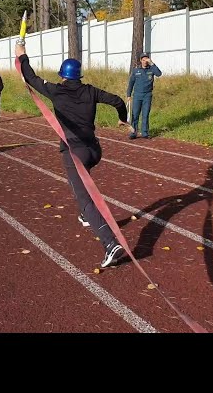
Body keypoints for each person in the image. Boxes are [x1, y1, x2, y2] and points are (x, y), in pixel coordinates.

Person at [15, 43, 131, 268]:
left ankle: (110, 244)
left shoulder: (56, 91)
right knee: (83, 190)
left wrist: (22, 55)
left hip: (74, 153)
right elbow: (117, 100)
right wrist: (122, 118)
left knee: (85, 200)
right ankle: (86, 217)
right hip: (94, 151)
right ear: (79, 75)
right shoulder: (91, 90)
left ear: (62, 76)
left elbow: (30, 76)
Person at [126, 52, 162, 139]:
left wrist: (152, 63)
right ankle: (133, 133)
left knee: (145, 114)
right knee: (135, 114)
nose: (145, 61)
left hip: (147, 95)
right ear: (140, 60)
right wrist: (128, 95)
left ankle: (145, 133)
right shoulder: (136, 71)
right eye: (143, 59)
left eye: (146, 59)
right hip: (137, 95)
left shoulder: (151, 69)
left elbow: (159, 74)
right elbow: (131, 83)